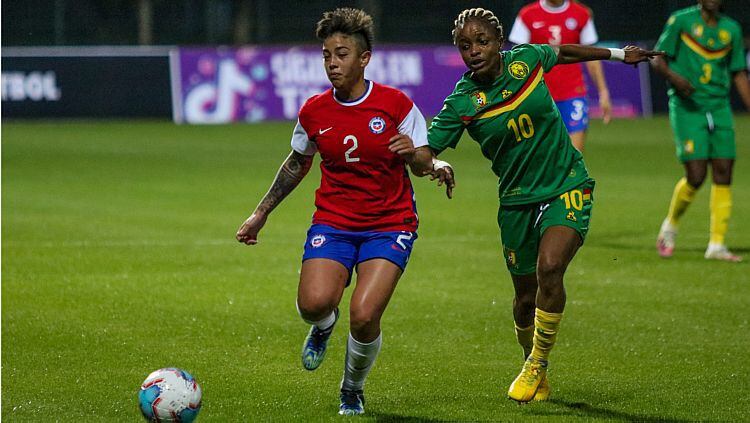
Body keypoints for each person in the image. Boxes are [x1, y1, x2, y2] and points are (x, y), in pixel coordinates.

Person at [408, 8, 661, 403]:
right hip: (516, 203)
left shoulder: (527, 59)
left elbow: (566, 53)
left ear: (500, 40)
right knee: (525, 300)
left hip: (566, 183)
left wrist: (616, 55)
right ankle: (531, 358)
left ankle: (537, 364)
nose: (474, 51)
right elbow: (423, 154)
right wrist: (436, 162)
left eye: (483, 41)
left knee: (551, 268)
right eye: (465, 45)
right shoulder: (462, 102)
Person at [236, 8, 432, 415]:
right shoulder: (314, 111)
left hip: (389, 224)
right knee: (313, 304)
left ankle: (351, 389)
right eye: (326, 55)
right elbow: (296, 163)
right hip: (335, 223)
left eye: (341, 54)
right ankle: (323, 326)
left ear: (364, 58)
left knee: (363, 315)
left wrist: (413, 153)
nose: (331, 63)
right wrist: (261, 213)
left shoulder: (396, 105)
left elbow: (424, 163)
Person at [653, 0, 750, 262]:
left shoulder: (731, 29)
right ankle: (670, 226)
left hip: (719, 107)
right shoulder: (681, 21)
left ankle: (716, 245)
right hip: (687, 107)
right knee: (696, 175)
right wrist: (676, 79)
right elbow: (657, 60)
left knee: (724, 170)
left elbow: (739, 72)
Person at [508, 0, 612, 152]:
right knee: (543, 154)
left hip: (573, 92)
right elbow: (515, 59)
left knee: (574, 155)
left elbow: (592, 58)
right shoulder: (527, 15)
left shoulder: (581, 14)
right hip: (538, 94)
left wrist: (603, 91)